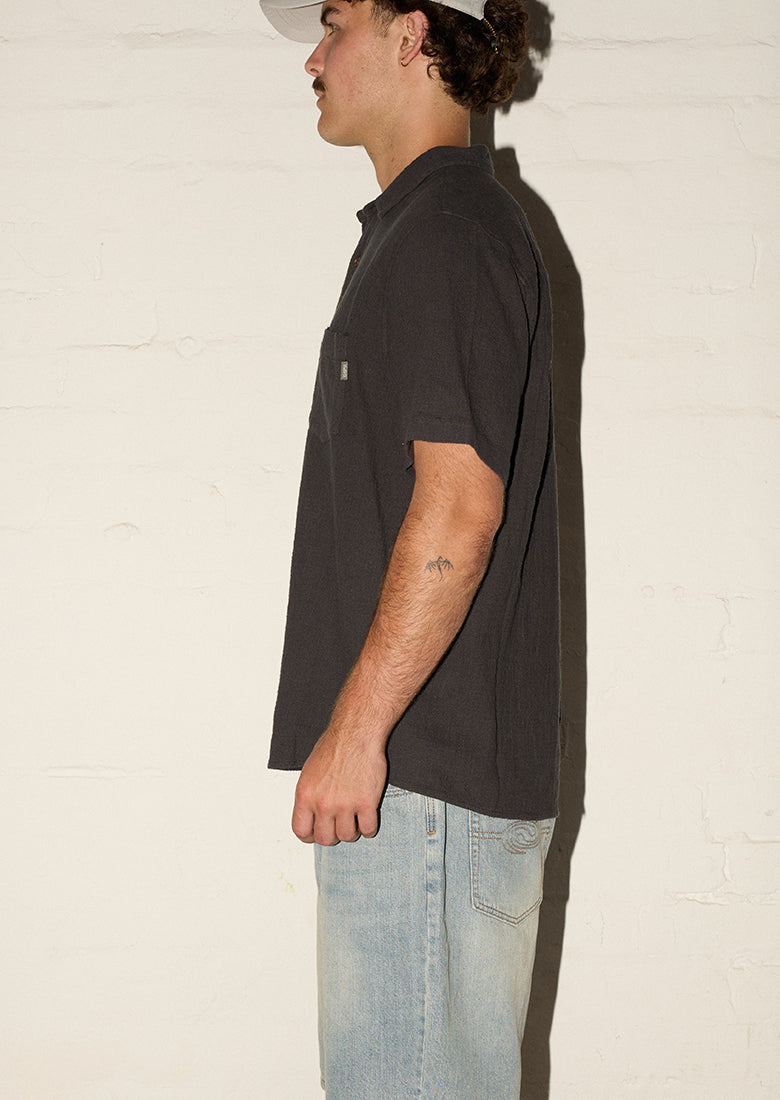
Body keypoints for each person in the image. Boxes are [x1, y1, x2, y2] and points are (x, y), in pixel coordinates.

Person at [260, 0, 560, 1094]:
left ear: (412, 35)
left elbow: (459, 508)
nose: (313, 53)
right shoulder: (419, 232)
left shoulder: (446, 232)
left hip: (420, 788)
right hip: (422, 791)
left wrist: (356, 732)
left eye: (335, 21)